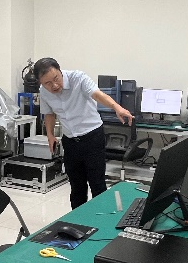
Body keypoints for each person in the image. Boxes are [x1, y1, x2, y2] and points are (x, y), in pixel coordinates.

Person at [33, 58, 133, 209]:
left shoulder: (78, 78)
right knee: (76, 187)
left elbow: (97, 94)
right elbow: (49, 114)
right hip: (70, 141)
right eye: (47, 83)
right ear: (40, 82)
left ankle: (101, 219)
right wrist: (50, 135)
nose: (54, 85)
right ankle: (78, 220)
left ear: (60, 71)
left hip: (92, 137)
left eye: (56, 79)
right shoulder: (44, 92)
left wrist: (116, 107)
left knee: (97, 184)